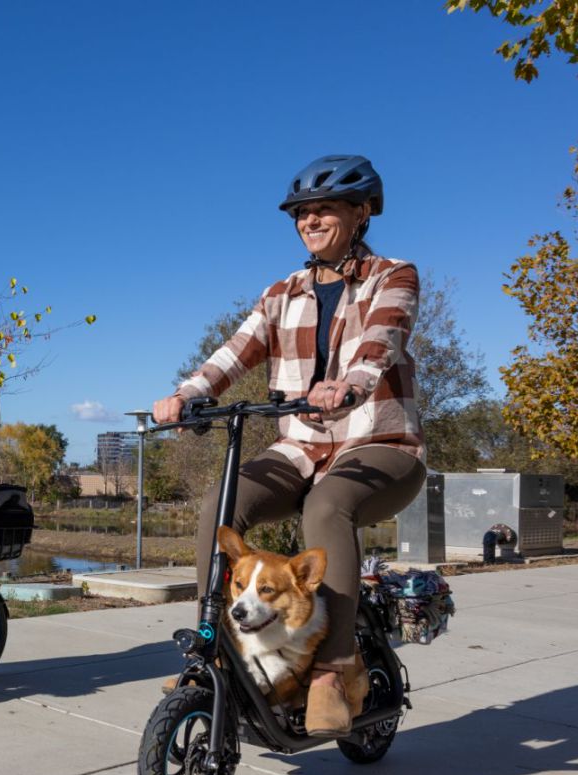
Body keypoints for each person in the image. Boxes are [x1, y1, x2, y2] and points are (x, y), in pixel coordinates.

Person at [152, 155, 427, 737]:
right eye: (302, 212)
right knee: (220, 505)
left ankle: (333, 670)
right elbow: (236, 350)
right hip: (302, 446)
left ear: (361, 213)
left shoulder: (393, 275)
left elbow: (383, 338)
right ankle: (217, 652)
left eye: (325, 209)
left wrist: (349, 384)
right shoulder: (282, 293)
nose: (311, 220)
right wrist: (187, 394)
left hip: (379, 439)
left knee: (325, 507)